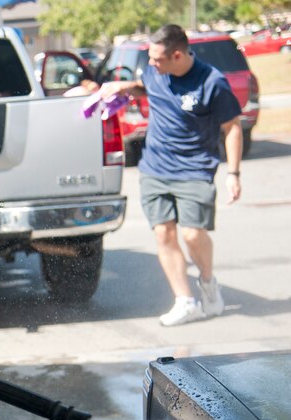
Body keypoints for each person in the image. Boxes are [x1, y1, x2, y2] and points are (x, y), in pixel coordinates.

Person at [98, 24, 242, 327]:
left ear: (177, 55)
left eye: (156, 59)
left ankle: (207, 283)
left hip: (194, 168)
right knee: (163, 233)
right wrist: (124, 87)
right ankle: (185, 301)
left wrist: (234, 172)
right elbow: (148, 87)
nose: (150, 64)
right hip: (154, 167)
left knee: (192, 234)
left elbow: (232, 127)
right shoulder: (155, 72)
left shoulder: (211, 82)